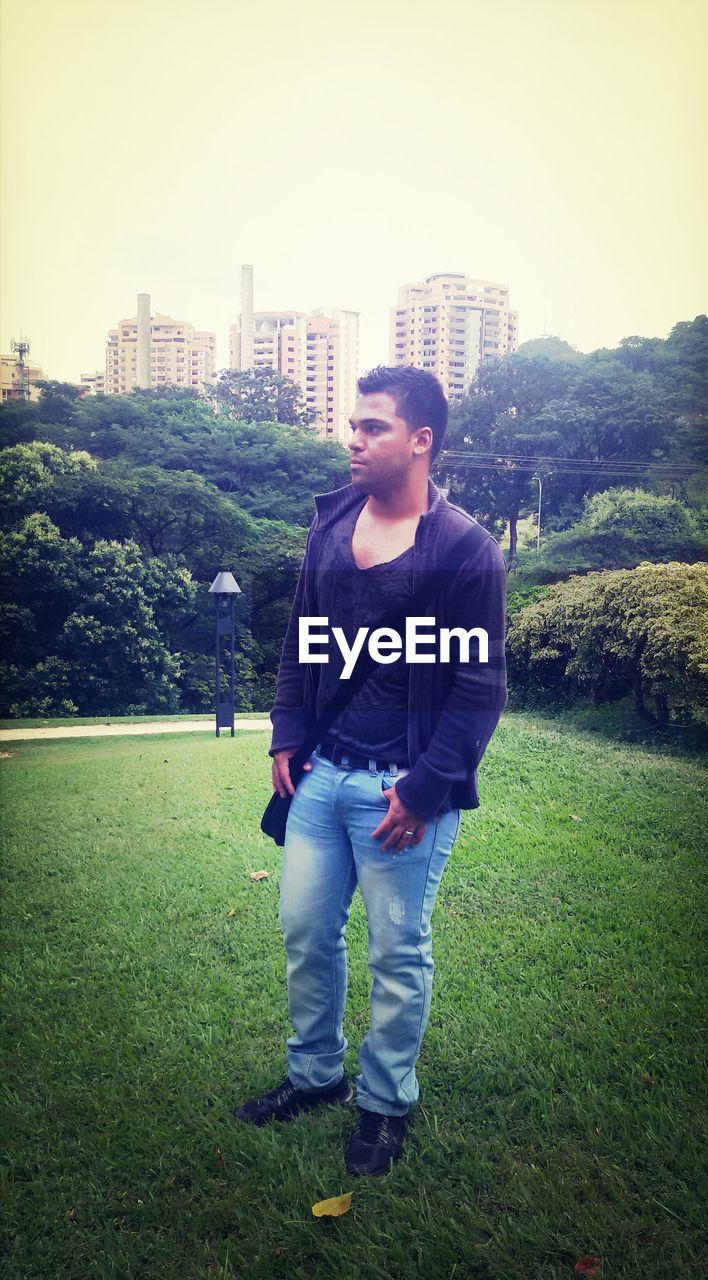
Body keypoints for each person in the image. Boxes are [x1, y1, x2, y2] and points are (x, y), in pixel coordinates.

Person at [235, 365, 507, 1176]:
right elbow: (300, 641)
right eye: (351, 425)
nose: (352, 439)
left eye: (372, 428)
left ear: (421, 441)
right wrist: (286, 735)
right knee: (305, 934)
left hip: (403, 792)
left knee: (398, 952)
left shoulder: (466, 548)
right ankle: (315, 1077)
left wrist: (424, 792)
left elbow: (480, 686)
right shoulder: (329, 525)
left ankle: (386, 1106)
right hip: (322, 776)